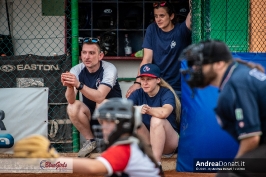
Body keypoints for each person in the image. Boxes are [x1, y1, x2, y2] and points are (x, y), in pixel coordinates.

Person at [13, 98, 163, 177]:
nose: (104, 127)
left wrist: (52, 161)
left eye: (109, 123)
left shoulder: (125, 149)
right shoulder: (134, 146)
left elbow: (92, 167)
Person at [180, 39, 266, 176]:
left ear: (219, 64)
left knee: (228, 174)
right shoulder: (239, 74)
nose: (195, 68)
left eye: (201, 63)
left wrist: (235, 167)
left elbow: (252, 138)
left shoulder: (237, 82)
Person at [61, 38, 122, 157]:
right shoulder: (77, 69)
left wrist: (78, 85)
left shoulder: (109, 68)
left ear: (100, 56)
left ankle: (108, 143)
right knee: (72, 107)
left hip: (114, 119)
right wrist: (69, 86)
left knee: (102, 103)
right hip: (92, 115)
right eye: (84, 52)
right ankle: (91, 141)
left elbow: (100, 97)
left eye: (92, 53)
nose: (87, 57)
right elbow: (70, 100)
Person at [126, 0, 192, 98]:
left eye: (162, 16)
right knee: (132, 98)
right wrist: (137, 83)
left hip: (176, 87)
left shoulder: (181, 30)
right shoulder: (152, 29)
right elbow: (147, 59)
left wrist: (192, 4)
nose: (158, 19)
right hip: (156, 85)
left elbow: (192, 15)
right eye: (156, 16)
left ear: (171, 16)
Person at [128, 63, 181, 166]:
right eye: (142, 79)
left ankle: (155, 165)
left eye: (149, 79)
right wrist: (136, 109)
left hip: (169, 144)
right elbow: (123, 110)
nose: (145, 83)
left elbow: (164, 112)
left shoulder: (166, 92)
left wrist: (146, 109)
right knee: (131, 118)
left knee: (157, 120)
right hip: (149, 141)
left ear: (158, 80)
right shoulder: (138, 93)